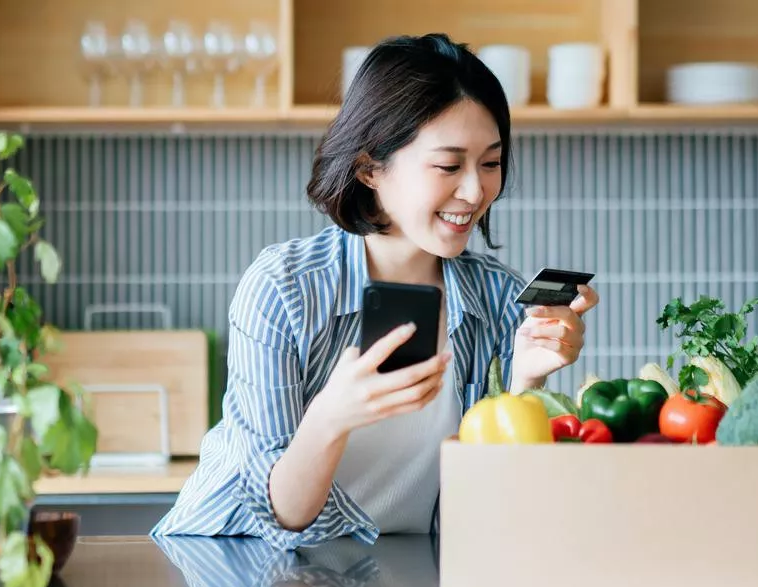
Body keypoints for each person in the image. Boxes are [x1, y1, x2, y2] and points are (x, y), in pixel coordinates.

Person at [151, 32, 599, 551]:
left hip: (400, 570)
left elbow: (491, 512)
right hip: (238, 561)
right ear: (370, 168)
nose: (476, 191)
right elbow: (281, 516)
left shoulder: (500, 300)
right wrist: (331, 416)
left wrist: (524, 384)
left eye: (491, 163)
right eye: (449, 165)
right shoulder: (285, 289)